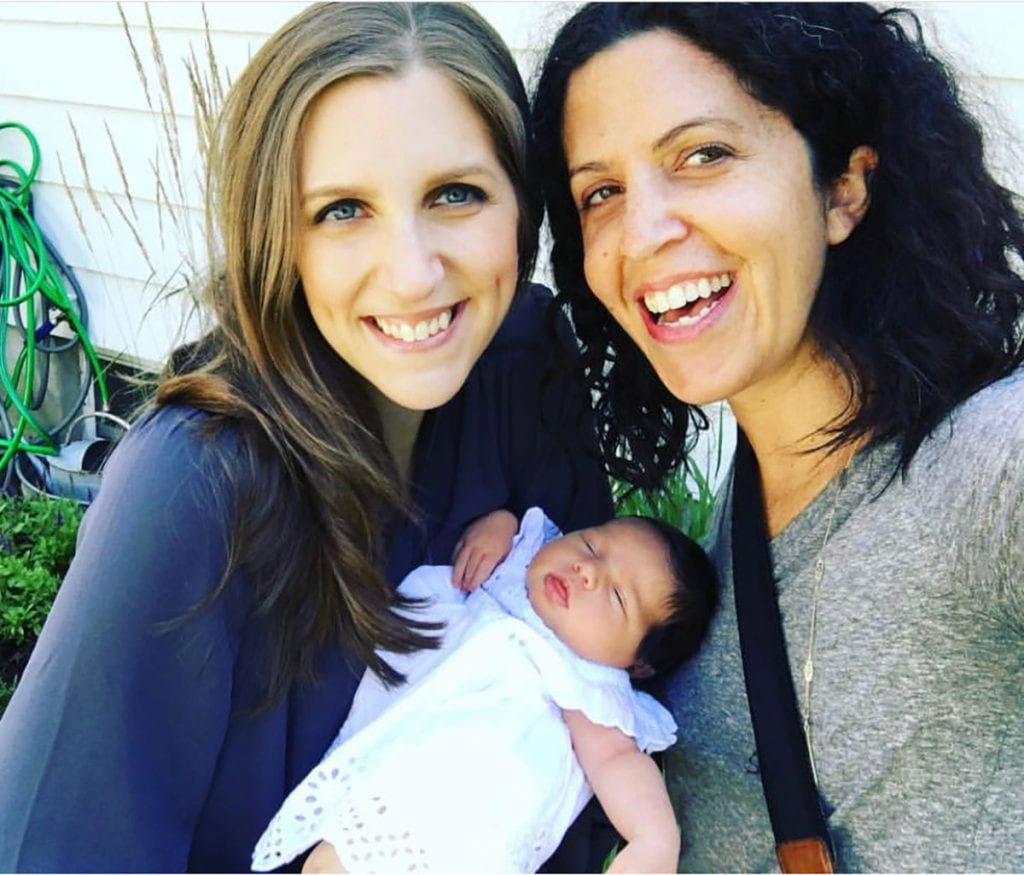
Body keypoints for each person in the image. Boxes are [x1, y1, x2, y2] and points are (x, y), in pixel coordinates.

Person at [0, 4, 615, 872]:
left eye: (456, 193)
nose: (411, 272)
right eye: (340, 211)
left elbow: (598, 667)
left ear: (522, 206)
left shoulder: (526, 363)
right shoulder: (192, 483)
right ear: (273, 238)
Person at [531, 3, 1024, 872]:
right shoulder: (725, 526)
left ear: (842, 187)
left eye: (703, 154)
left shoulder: (986, 469)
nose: (642, 231)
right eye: (600, 192)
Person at [251, 506, 717, 874]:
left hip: (466, 824)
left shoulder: (590, 681)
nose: (586, 571)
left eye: (617, 597)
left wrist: (653, 837)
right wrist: (499, 525)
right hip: (395, 773)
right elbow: (507, 534)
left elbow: (617, 760)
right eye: (592, 544)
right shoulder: (520, 561)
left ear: (637, 663)